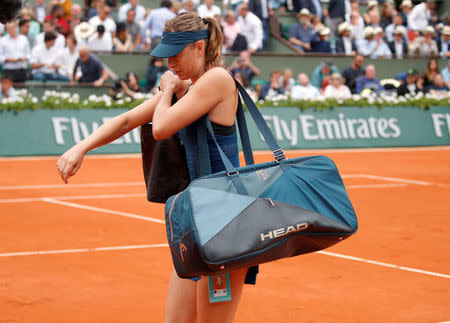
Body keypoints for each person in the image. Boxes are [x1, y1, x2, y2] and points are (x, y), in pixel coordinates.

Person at [57, 12, 256, 323]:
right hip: (195, 218)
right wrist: (80, 147)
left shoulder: (217, 80)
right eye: (166, 56)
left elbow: (160, 127)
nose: (169, 64)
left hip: (225, 221)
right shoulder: (186, 88)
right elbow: (126, 120)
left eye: (176, 54)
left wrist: (166, 92)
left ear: (199, 47)